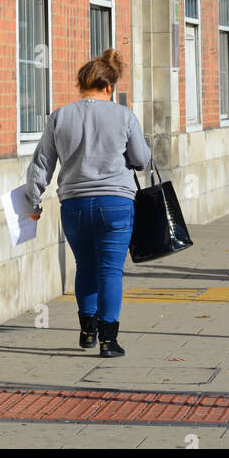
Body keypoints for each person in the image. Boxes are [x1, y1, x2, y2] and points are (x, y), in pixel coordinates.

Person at [25, 49, 151, 358]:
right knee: (110, 272)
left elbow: (41, 165)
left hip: (75, 206)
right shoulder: (124, 115)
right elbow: (142, 159)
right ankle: (109, 341)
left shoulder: (60, 116)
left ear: (82, 83)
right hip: (115, 204)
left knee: (85, 267)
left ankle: (87, 331)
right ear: (109, 87)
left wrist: (33, 202)